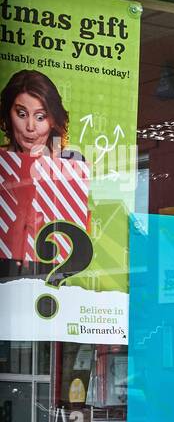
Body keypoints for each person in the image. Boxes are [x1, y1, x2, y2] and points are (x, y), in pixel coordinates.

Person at [0, 69, 89, 272]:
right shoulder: (2, 163)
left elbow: (82, 239)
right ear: (8, 114)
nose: (30, 126)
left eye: (40, 117)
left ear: (53, 120)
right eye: (21, 114)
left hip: (54, 273)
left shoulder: (71, 165)